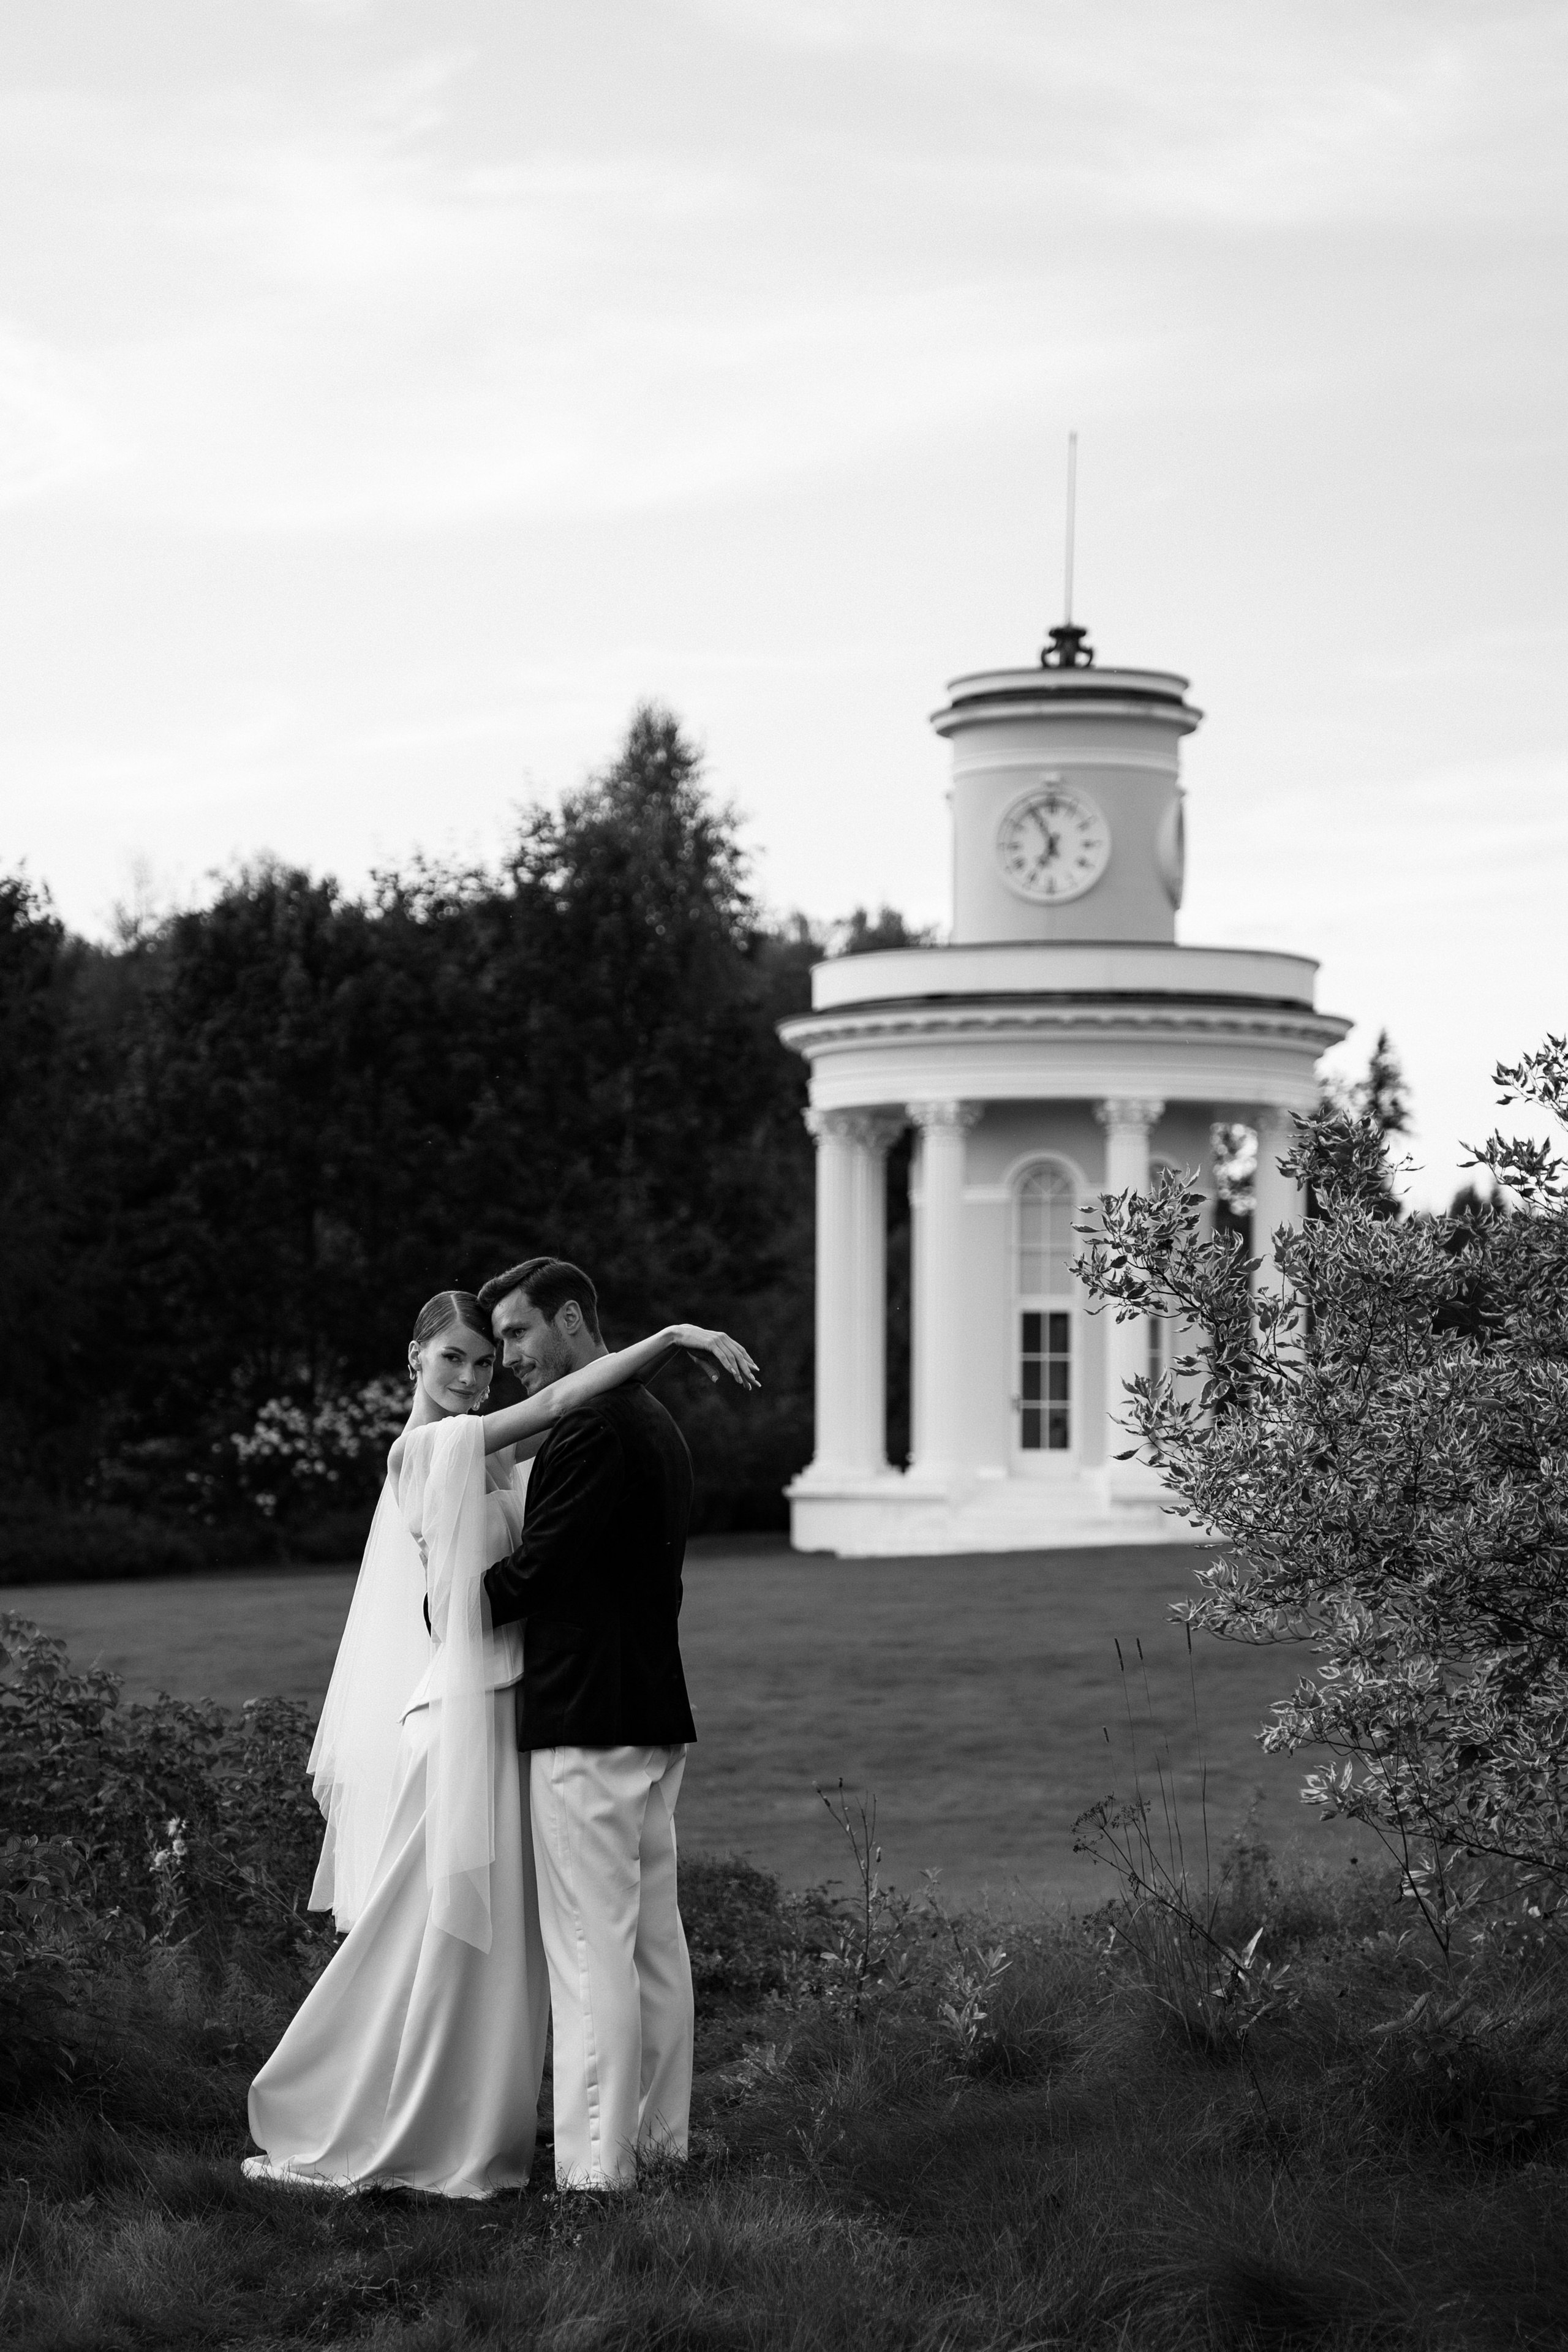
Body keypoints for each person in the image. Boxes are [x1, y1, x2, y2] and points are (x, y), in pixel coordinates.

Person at [244, 1286, 758, 2199]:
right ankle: (387, 2117)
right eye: (454, 1360)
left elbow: (578, 1406)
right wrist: (675, 1335)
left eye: (485, 1362)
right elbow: (564, 1399)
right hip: (466, 1713)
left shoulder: (496, 1447)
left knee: (496, 1946)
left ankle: (487, 2124)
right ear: (415, 1360)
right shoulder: (428, 1449)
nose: (474, 1379)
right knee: (430, 1931)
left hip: (523, 1708)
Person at [478, 1256, 728, 2190]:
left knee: (590, 1954)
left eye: (518, 1334)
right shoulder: (652, 1420)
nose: (509, 1361)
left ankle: (595, 2178)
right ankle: (659, 2147)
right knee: (652, 1947)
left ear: (573, 1320)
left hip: (587, 1718)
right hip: (651, 1712)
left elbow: (539, 1570)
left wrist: (436, 1607)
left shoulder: (591, 1426)